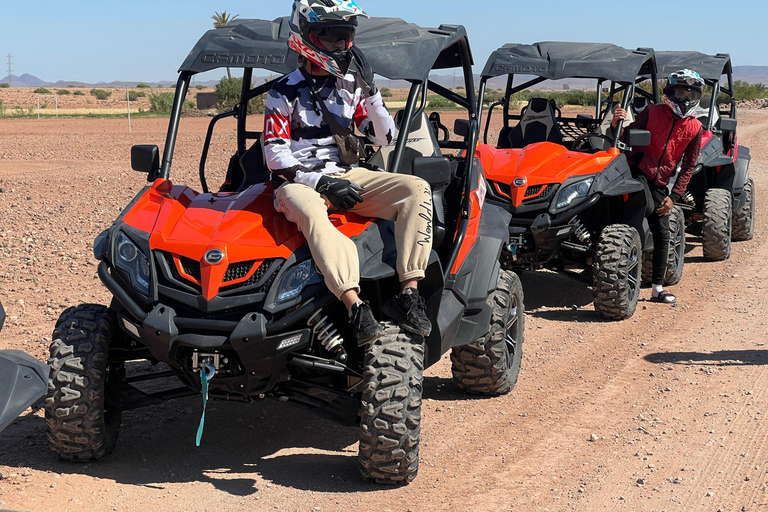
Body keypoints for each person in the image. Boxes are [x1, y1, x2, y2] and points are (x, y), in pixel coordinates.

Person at [264, 0, 434, 348]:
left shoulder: (352, 86)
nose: (340, 45)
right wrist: (321, 182)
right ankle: (355, 307)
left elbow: (383, 137)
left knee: (416, 189)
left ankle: (408, 292)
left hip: (347, 174)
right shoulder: (283, 91)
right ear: (305, 36)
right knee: (312, 212)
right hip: (298, 182)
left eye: (346, 36)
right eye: (329, 36)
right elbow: (274, 154)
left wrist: (371, 91)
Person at [612, 69, 705, 304]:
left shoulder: (695, 128)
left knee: (664, 232)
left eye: (690, 94)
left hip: (661, 182)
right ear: (670, 93)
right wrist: (616, 123)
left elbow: (688, 166)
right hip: (636, 172)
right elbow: (625, 136)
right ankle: (618, 270)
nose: (685, 99)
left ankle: (657, 288)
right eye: (680, 93)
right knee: (647, 208)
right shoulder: (651, 112)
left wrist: (674, 196)